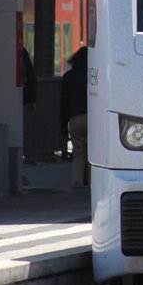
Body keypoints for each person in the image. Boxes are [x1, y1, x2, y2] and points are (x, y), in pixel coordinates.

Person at [60, 46, 89, 186]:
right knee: (93, 153)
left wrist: (63, 129)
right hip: (94, 119)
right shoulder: (95, 75)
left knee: (78, 153)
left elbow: (63, 104)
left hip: (75, 119)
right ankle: (91, 181)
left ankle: (77, 181)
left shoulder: (68, 77)